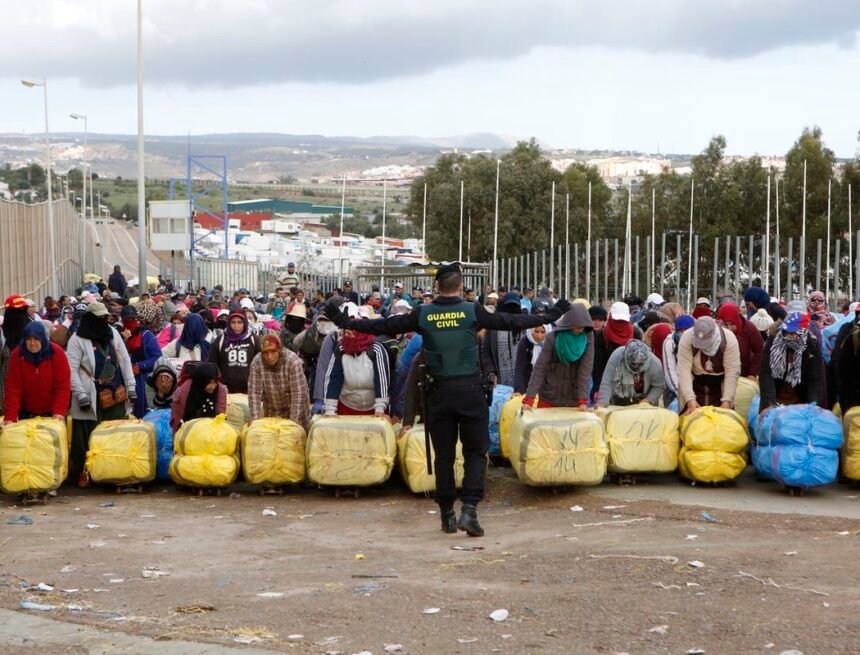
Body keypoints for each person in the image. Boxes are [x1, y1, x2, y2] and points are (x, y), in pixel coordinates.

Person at [323, 263, 569, 538]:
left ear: (437, 287)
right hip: (470, 392)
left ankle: (447, 515)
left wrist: (346, 322)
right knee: (475, 452)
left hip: (437, 394)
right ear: (462, 287)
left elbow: (384, 324)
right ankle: (470, 510)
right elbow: (510, 321)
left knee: (443, 455)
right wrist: (550, 315)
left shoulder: (422, 313)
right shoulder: (472, 311)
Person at [67, 302, 137, 485]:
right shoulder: (77, 339)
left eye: (105, 318)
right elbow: (71, 369)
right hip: (90, 393)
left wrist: (131, 386)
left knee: (114, 432)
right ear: (91, 319)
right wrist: (81, 395)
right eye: (100, 318)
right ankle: (85, 471)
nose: (104, 321)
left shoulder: (112, 333)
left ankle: (112, 470)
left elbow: (125, 361)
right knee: (86, 436)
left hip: (115, 390)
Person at [522, 304, 593, 409]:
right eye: (577, 326)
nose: (580, 330)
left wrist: (583, 400)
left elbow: (585, 370)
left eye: (583, 327)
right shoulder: (553, 338)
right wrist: (529, 399)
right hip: (549, 397)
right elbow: (540, 368)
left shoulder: (588, 339)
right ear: (569, 323)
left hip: (573, 400)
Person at [323, 311, 392, 417]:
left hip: (374, 407)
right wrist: (330, 409)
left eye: (349, 334)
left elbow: (382, 379)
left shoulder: (376, 350)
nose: (346, 337)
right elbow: (333, 377)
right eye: (345, 334)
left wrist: (380, 408)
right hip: (347, 405)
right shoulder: (341, 349)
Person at [1, 321, 71, 425]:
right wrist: (10, 417)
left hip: (52, 413)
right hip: (26, 412)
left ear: (42, 338)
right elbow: (13, 388)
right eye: (29, 339)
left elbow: (63, 386)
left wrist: (59, 412)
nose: (32, 343)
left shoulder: (56, 353)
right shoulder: (17, 355)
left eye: (36, 339)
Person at [759, 312, 824, 413]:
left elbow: (815, 380)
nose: (788, 336)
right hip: (775, 398)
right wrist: (769, 404)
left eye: (793, 333)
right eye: (786, 332)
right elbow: (766, 374)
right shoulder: (773, 343)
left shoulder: (812, 347)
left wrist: (812, 407)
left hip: (801, 402)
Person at [676, 316, 741, 415]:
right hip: (695, 384)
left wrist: (727, 400)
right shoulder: (687, 338)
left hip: (719, 386)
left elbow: (732, 372)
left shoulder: (729, 339)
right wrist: (690, 400)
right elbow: (683, 370)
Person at [247, 334, 310, 429]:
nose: (269, 356)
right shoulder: (257, 363)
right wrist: (255, 420)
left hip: (295, 410)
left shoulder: (292, 361)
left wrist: (293, 423)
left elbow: (298, 393)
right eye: (265, 353)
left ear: (280, 350)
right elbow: (254, 392)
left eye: (273, 351)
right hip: (272, 409)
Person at [591, 302, 642, 404]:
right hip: (607, 384)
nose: (620, 323)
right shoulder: (601, 336)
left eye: (622, 320)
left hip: (631, 386)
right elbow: (598, 366)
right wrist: (598, 389)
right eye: (617, 320)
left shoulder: (635, 333)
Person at [120, 305, 161, 418]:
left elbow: (157, 356)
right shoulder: (119, 335)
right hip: (125, 379)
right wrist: (124, 341)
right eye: (127, 320)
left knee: (144, 411)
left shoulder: (146, 335)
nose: (131, 322)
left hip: (143, 380)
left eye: (133, 319)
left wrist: (140, 366)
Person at [598, 340, 666, 407]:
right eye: (633, 364)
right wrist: (603, 402)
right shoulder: (617, 356)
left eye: (639, 365)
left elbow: (659, 386)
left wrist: (649, 399)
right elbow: (607, 381)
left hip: (645, 403)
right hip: (620, 399)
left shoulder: (655, 363)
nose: (636, 367)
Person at [208, 311, 260, 394]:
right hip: (226, 390)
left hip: (250, 390)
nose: (236, 326)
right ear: (229, 323)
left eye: (239, 322)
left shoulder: (254, 340)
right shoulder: (220, 340)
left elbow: (261, 364)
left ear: (245, 323)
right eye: (233, 322)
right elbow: (212, 364)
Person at [480, 292, 526, 387]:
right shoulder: (493, 327)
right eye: (508, 306)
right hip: (499, 382)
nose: (511, 310)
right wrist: (491, 372)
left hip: (521, 381)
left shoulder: (525, 327)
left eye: (514, 306)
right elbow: (486, 351)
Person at [170, 362, 227, 433]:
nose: (213, 386)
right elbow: (177, 421)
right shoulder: (184, 392)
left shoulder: (220, 390)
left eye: (214, 382)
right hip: (188, 429)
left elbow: (220, 416)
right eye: (209, 383)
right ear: (201, 381)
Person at [715, 302, 764, 379]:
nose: (729, 328)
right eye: (725, 324)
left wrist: (752, 373)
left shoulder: (749, 328)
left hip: (743, 374)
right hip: (720, 374)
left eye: (732, 324)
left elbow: (759, 350)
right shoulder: (714, 330)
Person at [662, 315, 695, 406]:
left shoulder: (697, 341)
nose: (683, 333)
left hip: (694, 386)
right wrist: (683, 395)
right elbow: (670, 371)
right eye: (680, 331)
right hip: (675, 388)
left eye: (686, 330)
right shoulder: (669, 342)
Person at [513, 323, 551, 394]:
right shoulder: (524, 343)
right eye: (536, 331)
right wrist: (519, 390)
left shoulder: (551, 344)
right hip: (529, 385)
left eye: (543, 332)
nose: (539, 336)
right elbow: (520, 368)